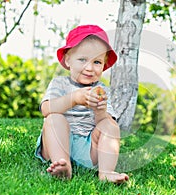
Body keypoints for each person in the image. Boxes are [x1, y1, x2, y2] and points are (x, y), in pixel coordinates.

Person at [35, 24, 129, 183]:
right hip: (57, 143)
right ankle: (62, 165)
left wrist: (100, 112)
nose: (89, 68)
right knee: (53, 119)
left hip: (88, 149)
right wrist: (74, 98)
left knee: (110, 125)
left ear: (104, 65)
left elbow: (104, 123)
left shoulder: (102, 90)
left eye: (97, 62)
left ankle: (106, 172)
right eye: (82, 60)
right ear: (68, 59)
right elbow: (46, 109)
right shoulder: (60, 84)